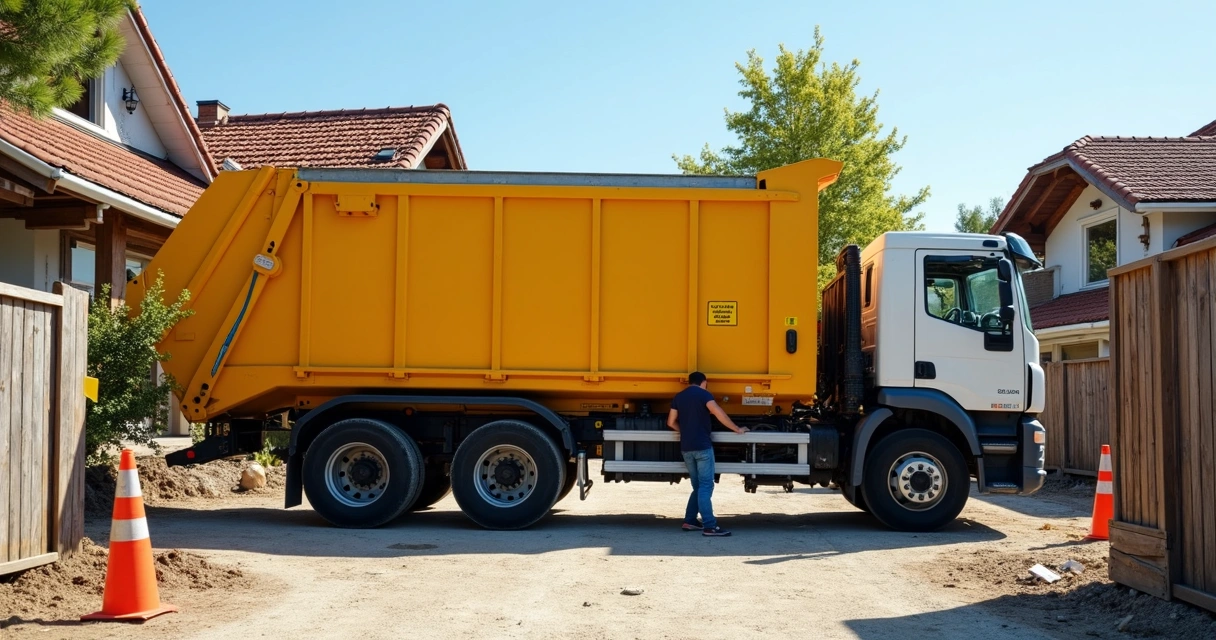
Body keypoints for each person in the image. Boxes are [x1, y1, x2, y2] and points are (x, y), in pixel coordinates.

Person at [667, 371, 748, 537]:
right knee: (706, 485)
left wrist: (686, 431)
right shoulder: (704, 395)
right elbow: (719, 414)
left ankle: (689, 521)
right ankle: (710, 526)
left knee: (698, 486)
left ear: (689, 382)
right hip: (702, 447)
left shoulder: (679, 396)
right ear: (704, 382)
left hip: (686, 448)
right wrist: (737, 429)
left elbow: (670, 422)